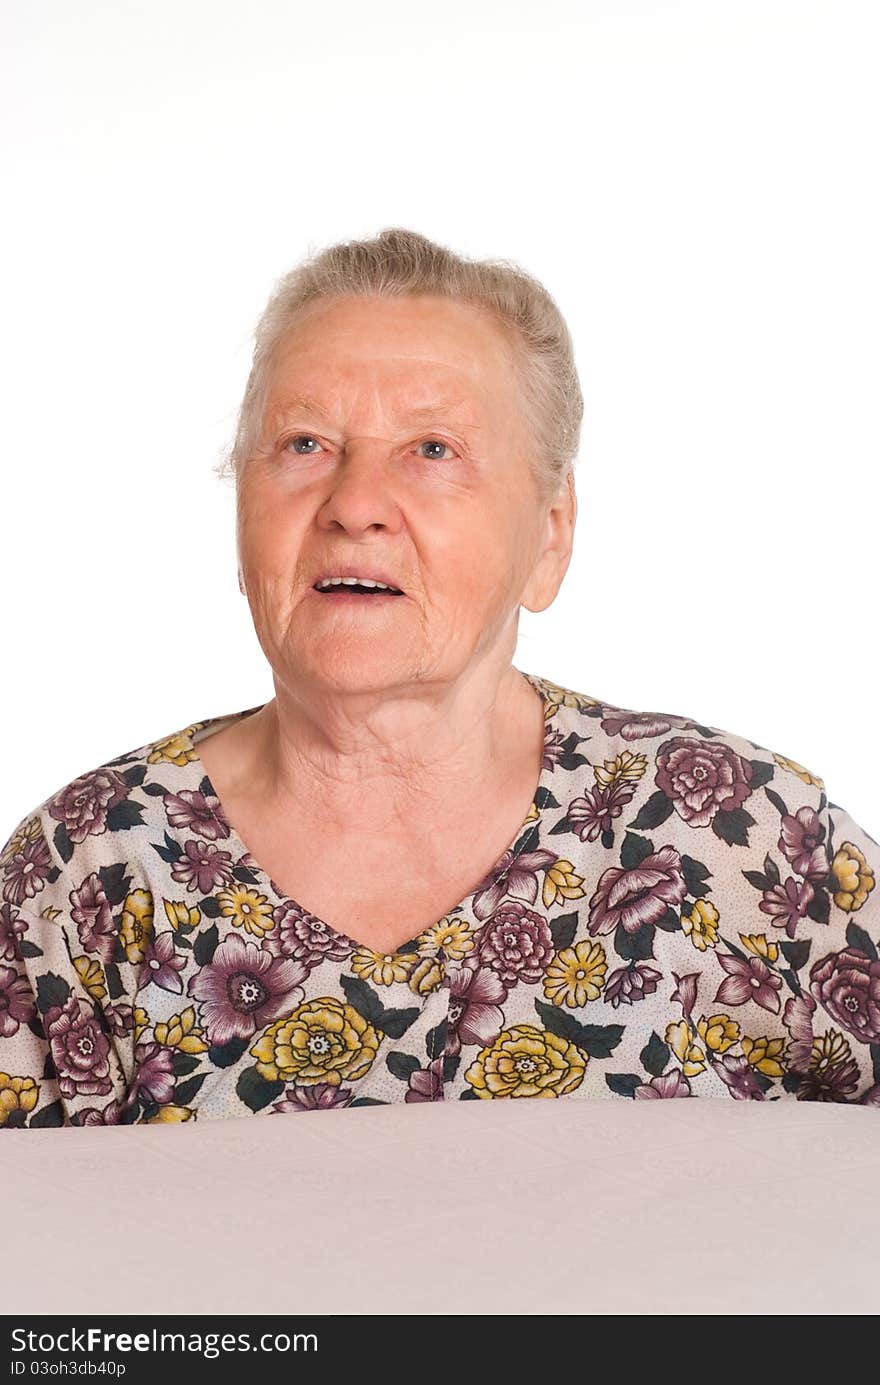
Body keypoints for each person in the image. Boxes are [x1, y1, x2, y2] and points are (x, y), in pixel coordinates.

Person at [2, 228, 878, 1128]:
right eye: (304, 444)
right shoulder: (83, 875)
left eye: (432, 450)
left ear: (550, 531)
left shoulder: (738, 836)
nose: (353, 506)